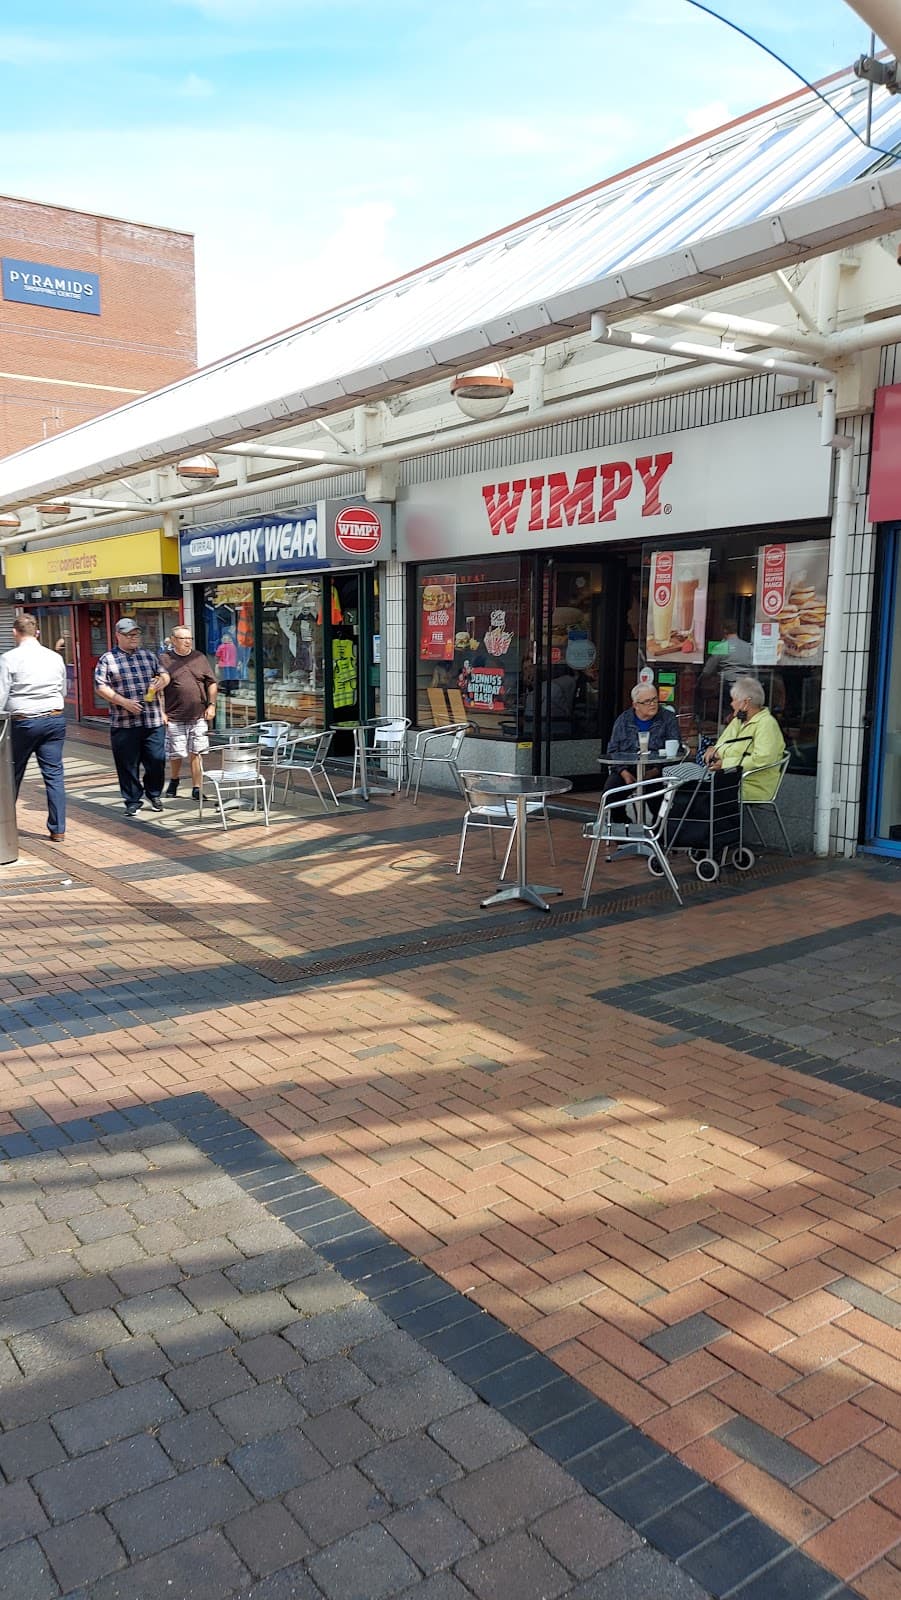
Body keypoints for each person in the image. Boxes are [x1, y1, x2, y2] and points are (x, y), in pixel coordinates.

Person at [0, 613, 67, 841]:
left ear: (15, 633)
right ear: (37, 632)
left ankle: (5, 825)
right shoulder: (54, 657)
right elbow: (63, 690)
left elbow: (1, 696)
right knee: (54, 775)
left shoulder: (9, 658)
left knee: (12, 773)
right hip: (54, 719)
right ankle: (58, 829)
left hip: (23, 722)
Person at [93, 618, 170, 816]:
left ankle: (154, 793)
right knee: (127, 764)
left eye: (136, 634)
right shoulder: (107, 659)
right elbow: (100, 686)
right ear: (118, 635)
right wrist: (124, 702)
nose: (134, 638)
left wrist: (162, 682)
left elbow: (165, 675)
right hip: (124, 722)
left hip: (152, 720)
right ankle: (132, 800)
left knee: (156, 760)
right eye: (129, 635)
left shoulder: (148, 655)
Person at [703, 675, 785, 800]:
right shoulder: (739, 720)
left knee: (699, 792)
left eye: (734, 700)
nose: (731, 704)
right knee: (684, 783)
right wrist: (712, 749)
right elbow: (722, 744)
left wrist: (725, 764)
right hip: (726, 777)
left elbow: (762, 759)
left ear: (745, 702)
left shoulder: (767, 724)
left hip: (751, 784)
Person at [159, 624, 218, 800]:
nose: (188, 642)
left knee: (197, 751)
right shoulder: (164, 659)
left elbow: (212, 682)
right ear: (174, 640)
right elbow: (157, 688)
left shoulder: (199, 657)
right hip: (174, 715)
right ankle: (174, 780)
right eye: (184, 639)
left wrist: (212, 705)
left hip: (198, 714)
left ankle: (197, 788)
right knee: (175, 753)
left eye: (190, 638)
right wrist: (161, 712)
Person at [606, 683, 681, 786]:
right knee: (610, 791)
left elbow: (676, 750)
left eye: (655, 699)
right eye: (647, 701)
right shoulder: (623, 720)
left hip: (657, 771)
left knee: (657, 794)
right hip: (626, 770)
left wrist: (654, 772)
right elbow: (613, 751)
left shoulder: (668, 719)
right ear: (636, 705)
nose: (653, 704)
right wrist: (624, 774)